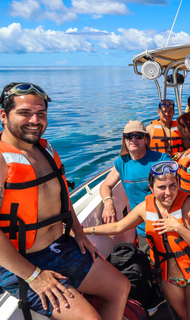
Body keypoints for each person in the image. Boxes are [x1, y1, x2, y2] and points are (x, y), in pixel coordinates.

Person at [0, 82, 130, 319]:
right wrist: (33, 276)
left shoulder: (45, 149)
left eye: (41, 113)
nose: (34, 120)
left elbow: (63, 197)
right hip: (21, 262)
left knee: (121, 287)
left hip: (60, 246)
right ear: (3, 115)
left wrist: (79, 234)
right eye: (24, 113)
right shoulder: (1, 159)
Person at [84, 161, 190, 320]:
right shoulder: (145, 208)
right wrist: (81, 231)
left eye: (173, 186)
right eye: (161, 187)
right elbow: (118, 227)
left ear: (178, 185)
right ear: (151, 188)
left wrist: (178, 228)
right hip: (169, 279)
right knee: (185, 316)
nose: (168, 192)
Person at [100, 120, 170, 255]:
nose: (133, 139)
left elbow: (172, 190)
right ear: (124, 139)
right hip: (144, 229)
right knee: (149, 269)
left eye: (138, 136)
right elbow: (105, 185)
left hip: (166, 225)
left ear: (146, 139)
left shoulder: (161, 159)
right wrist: (108, 203)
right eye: (129, 136)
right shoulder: (122, 162)